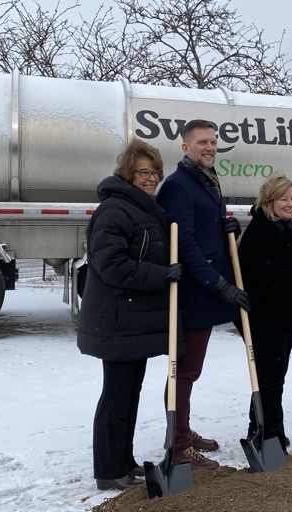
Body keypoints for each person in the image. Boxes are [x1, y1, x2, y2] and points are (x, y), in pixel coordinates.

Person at [77, 140, 181, 491]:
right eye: (144, 172)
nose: (151, 179)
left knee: (129, 394)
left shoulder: (143, 209)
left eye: (155, 172)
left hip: (132, 322)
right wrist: (162, 275)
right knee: (116, 396)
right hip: (118, 320)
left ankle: (124, 461)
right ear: (128, 173)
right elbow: (112, 265)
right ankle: (108, 470)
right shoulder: (115, 210)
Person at [156, 119, 251, 471]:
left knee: (190, 370)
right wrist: (217, 284)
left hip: (205, 292)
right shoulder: (179, 185)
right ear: (185, 147)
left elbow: (203, 229)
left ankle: (180, 430)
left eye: (213, 142)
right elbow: (186, 245)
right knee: (184, 371)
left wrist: (225, 225)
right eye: (202, 143)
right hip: (193, 294)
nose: (210, 147)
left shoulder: (207, 180)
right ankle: (178, 444)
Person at [237, 172, 292, 451]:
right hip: (266, 318)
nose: (290, 203)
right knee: (270, 380)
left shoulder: (286, 228)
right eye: (284, 198)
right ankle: (270, 436)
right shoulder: (264, 232)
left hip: (281, 317)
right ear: (269, 200)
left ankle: (259, 429)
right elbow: (275, 279)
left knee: (270, 378)